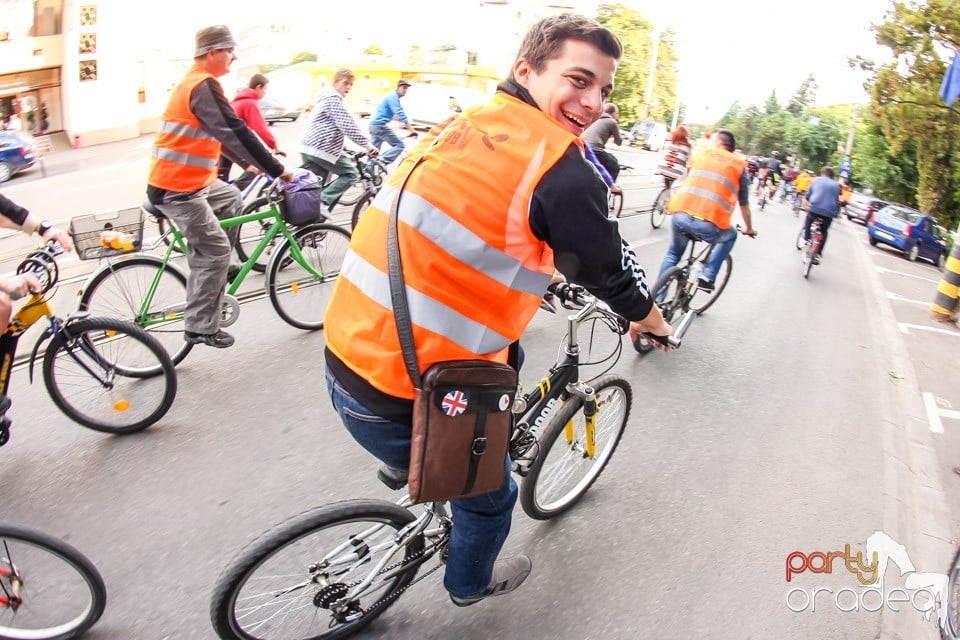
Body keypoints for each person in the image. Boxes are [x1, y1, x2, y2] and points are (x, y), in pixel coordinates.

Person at [323, 13, 671, 609]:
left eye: (604, 91)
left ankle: (414, 463)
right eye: (579, 80)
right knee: (492, 499)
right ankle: (469, 582)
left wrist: (547, 273)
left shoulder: (466, 123)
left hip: (346, 353)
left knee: (511, 355)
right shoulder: (561, 170)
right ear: (527, 69)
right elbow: (611, 271)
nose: (592, 102)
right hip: (398, 397)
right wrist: (649, 318)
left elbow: (476, 226)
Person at [147, 25, 291, 349]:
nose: (234, 56)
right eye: (229, 50)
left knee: (232, 198)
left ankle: (220, 270)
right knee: (214, 249)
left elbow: (215, 134)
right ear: (211, 53)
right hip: (177, 189)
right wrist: (278, 170)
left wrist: (247, 165)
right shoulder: (203, 85)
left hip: (191, 182)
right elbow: (236, 130)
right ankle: (199, 326)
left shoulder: (195, 82)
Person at [658, 128, 757, 291]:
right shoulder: (739, 165)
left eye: (712, 141)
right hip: (709, 224)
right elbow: (744, 205)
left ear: (719, 143)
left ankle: (658, 304)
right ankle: (708, 276)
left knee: (673, 255)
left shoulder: (700, 154)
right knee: (731, 235)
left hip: (680, 215)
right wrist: (750, 229)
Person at [298, 68, 379, 209]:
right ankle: (322, 203)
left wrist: (342, 146)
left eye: (351, 84)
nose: (348, 87)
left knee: (313, 188)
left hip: (308, 147)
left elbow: (326, 125)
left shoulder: (324, 97)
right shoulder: (333, 98)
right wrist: (368, 146)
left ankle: (308, 225)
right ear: (335, 82)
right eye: (345, 83)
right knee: (350, 174)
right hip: (321, 148)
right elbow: (347, 125)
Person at [218, 73, 282, 183]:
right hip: (230, 142)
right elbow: (260, 127)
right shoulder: (249, 103)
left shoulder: (238, 101)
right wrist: (274, 146)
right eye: (265, 89)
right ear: (259, 87)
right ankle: (234, 195)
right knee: (256, 168)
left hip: (223, 142)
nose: (265, 92)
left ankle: (226, 196)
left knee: (222, 176)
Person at [368, 79, 417, 167]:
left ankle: (367, 173)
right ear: (398, 87)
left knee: (373, 152)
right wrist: (411, 130)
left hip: (374, 126)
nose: (405, 90)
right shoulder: (393, 97)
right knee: (400, 145)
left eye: (406, 88)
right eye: (404, 88)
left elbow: (394, 114)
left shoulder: (392, 96)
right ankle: (382, 160)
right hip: (379, 126)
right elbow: (399, 112)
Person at [800, 166, 841, 263]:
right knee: (824, 231)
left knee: (808, 222)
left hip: (814, 208)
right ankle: (818, 254)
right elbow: (837, 201)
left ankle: (806, 240)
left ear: (823, 173)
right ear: (832, 176)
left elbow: (807, 197)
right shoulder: (836, 186)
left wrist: (805, 207)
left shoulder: (815, 180)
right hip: (828, 213)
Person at [580, 102, 622, 182]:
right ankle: (609, 189)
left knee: (611, 157)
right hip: (596, 150)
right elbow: (618, 142)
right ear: (613, 113)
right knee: (615, 166)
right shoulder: (612, 122)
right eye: (617, 114)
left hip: (584, 147)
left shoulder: (595, 118)